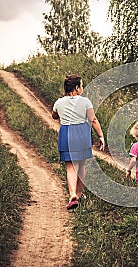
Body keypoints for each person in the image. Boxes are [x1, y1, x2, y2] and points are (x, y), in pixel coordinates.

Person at [52, 74, 105, 210]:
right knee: (81, 166)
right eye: (81, 85)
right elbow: (93, 120)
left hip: (67, 134)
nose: (82, 88)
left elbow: (54, 115)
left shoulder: (59, 102)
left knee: (70, 167)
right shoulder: (85, 102)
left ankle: (72, 195)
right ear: (76, 88)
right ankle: (79, 194)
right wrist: (101, 136)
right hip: (82, 134)